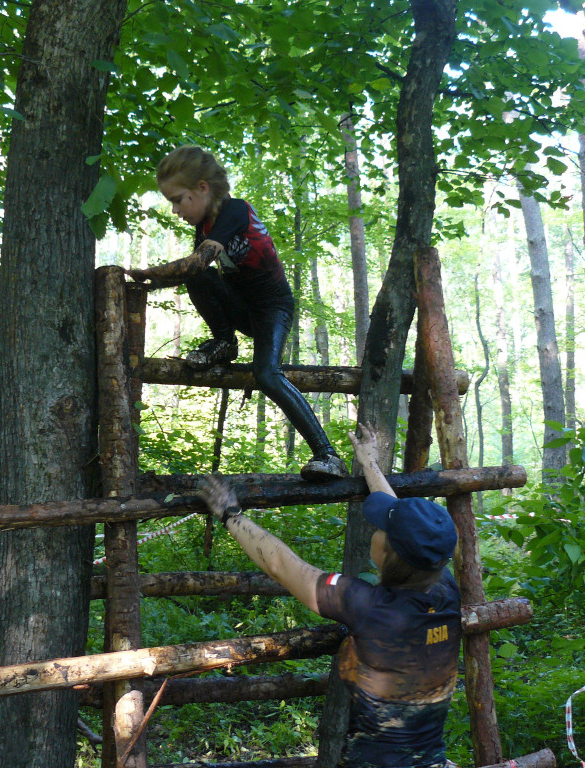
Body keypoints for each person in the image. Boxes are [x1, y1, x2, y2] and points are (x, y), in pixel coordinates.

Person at [198, 424, 462, 768]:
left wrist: (230, 514)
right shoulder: (443, 586)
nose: (376, 530)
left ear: (390, 552)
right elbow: (411, 530)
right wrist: (369, 463)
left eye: (381, 528)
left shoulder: (367, 605)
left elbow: (281, 564)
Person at [127, 145, 347, 482]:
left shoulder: (234, 211)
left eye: (177, 199)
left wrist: (145, 274)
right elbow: (196, 271)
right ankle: (224, 343)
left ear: (202, 188)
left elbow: (196, 262)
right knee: (200, 276)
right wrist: (139, 284)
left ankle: (328, 455)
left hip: (272, 309)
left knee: (267, 374)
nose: (174, 210)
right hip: (242, 306)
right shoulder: (205, 227)